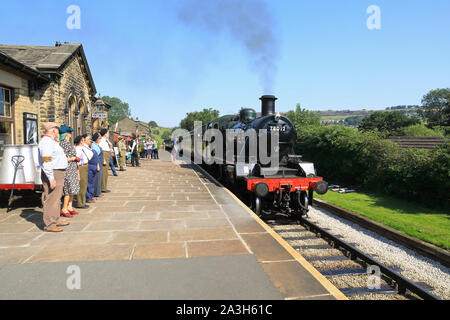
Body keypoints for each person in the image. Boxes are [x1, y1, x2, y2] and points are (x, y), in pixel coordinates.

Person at [38, 122, 70, 232]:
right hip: (53, 172)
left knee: (56, 198)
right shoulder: (46, 142)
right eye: (57, 130)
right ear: (53, 130)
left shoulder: (51, 142)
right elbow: (46, 161)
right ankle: (50, 224)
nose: (58, 133)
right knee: (52, 199)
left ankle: (56, 219)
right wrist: (51, 177)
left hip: (58, 172)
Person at [59, 125, 79, 218]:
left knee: (73, 189)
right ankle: (64, 208)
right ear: (66, 134)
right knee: (68, 189)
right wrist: (73, 158)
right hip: (68, 169)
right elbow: (63, 158)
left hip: (73, 168)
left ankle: (70, 207)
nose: (71, 134)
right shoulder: (63, 143)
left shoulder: (68, 143)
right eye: (70, 133)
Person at [75, 135, 90, 209]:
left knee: (84, 185)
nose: (84, 141)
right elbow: (77, 160)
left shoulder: (82, 148)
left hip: (85, 166)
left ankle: (83, 201)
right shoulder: (78, 149)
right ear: (81, 141)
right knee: (82, 185)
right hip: (81, 167)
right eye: (83, 140)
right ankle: (80, 203)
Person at [92, 133, 103, 198]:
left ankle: (98, 191)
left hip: (100, 162)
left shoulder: (96, 145)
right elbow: (95, 156)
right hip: (97, 162)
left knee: (99, 178)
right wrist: (97, 165)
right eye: (99, 138)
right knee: (97, 178)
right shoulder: (94, 146)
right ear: (96, 138)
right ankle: (96, 192)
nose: (100, 140)